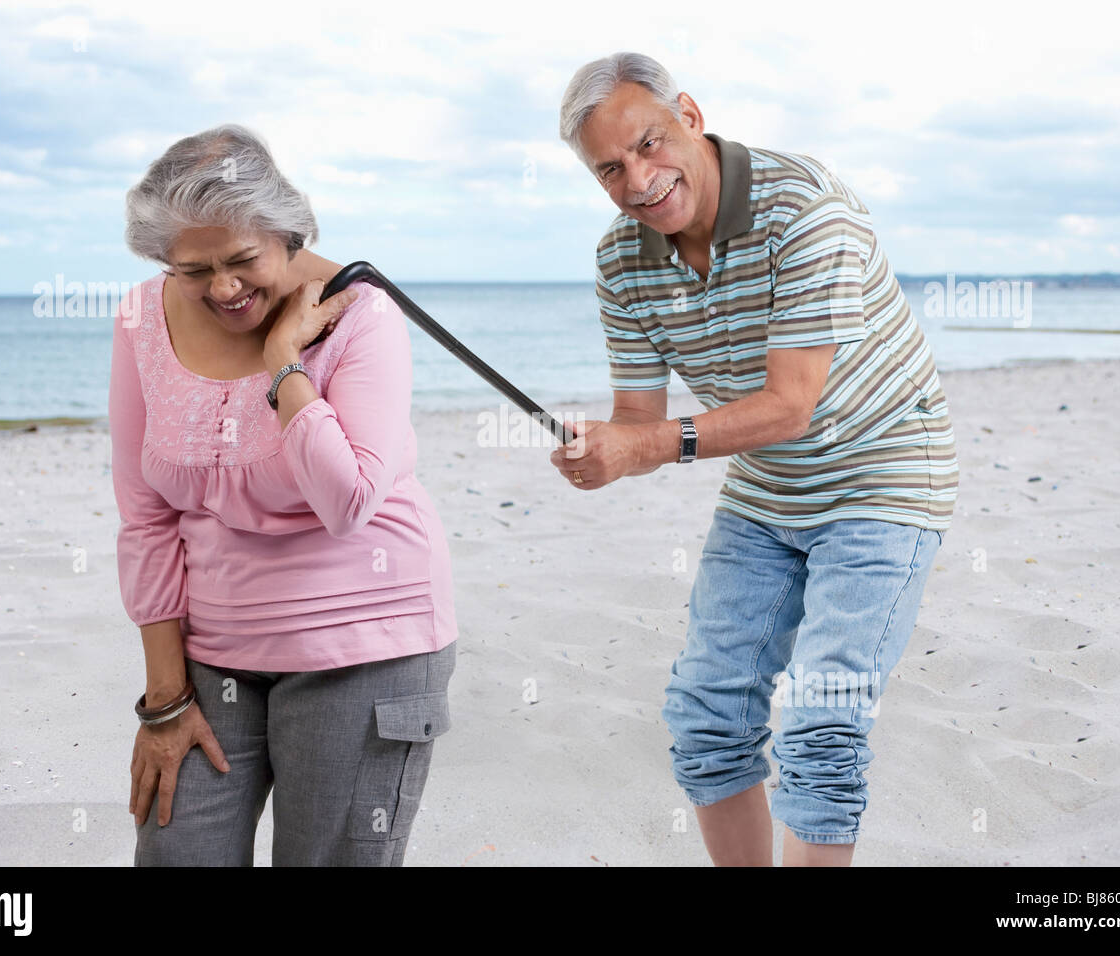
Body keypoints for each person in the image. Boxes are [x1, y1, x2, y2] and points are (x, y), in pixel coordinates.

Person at [551, 53, 958, 866]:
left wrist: (649, 445)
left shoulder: (803, 209)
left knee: (822, 716)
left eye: (650, 143)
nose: (638, 180)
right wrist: (606, 451)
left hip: (881, 472)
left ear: (691, 116)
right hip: (768, 491)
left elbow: (789, 405)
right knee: (705, 714)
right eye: (610, 169)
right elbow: (642, 420)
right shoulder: (620, 261)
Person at [110, 123, 458, 866]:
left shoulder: (364, 314)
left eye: (242, 260)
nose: (224, 289)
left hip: (364, 646)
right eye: (193, 270)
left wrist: (283, 365)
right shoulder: (142, 316)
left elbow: (350, 500)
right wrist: (165, 700)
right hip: (215, 654)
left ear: (288, 231)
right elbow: (144, 515)